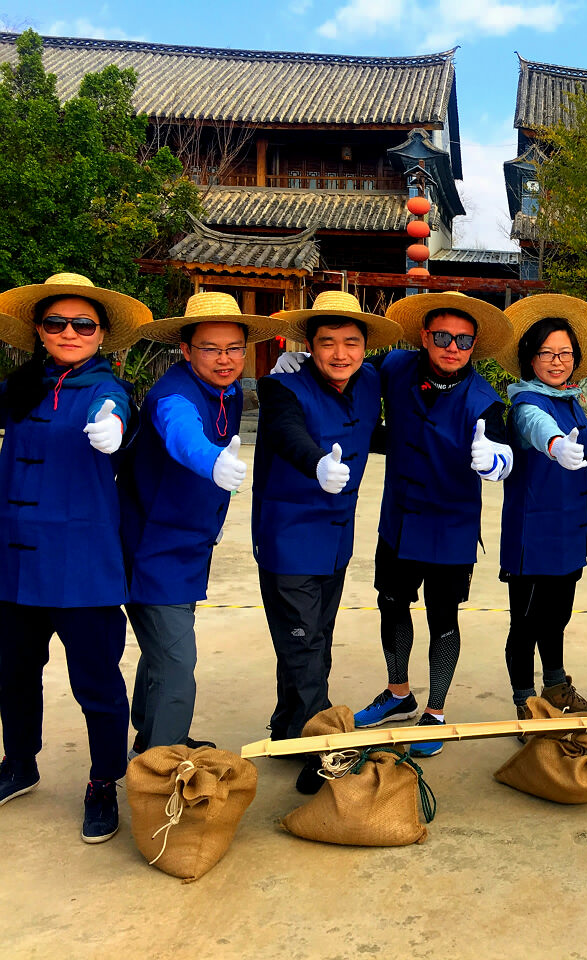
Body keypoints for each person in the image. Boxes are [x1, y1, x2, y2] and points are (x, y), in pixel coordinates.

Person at [0, 272, 149, 843]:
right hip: (15, 560)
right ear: (39, 331)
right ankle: (20, 762)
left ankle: (103, 780)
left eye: (83, 324)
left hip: (82, 564)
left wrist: (113, 425)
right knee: (13, 672)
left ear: (101, 334)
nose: (69, 332)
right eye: (56, 322)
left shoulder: (108, 390)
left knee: (96, 680)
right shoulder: (19, 388)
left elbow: (117, 410)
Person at [352, 291, 514, 758]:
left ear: (474, 345)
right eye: (442, 336)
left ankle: (436, 712)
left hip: (450, 524)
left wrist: (496, 461)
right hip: (399, 516)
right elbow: (350, 370)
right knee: (391, 603)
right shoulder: (396, 366)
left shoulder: (483, 400)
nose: (452, 347)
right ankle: (398, 693)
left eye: (463, 340)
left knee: (443, 619)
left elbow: (502, 450)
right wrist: (303, 368)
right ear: (424, 336)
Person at [118, 293, 280, 755]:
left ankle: (150, 738)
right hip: (153, 549)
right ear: (186, 350)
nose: (224, 359)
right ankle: (164, 763)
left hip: (190, 545)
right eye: (210, 348)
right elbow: (181, 432)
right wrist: (211, 461)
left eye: (234, 348)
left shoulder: (228, 391)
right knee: (176, 664)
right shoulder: (174, 394)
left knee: (162, 651)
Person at [254, 291, 402, 792]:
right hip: (289, 536)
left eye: (351, 343)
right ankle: (322, 748)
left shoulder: (370, 379)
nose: (340, 354)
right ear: (309, 345)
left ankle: (287, 730)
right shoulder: (281, 386)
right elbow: (285, 432)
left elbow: (410, 374)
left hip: (337, 537)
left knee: (314, 636)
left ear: (365, 347)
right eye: (327, 343)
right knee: (304, 644)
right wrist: (316, 461)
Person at [494, 294, 587, 723]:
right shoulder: (527, 402)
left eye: (564, 353)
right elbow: (535, 425)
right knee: (526, 623)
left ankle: (557, 685)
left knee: (557, 616)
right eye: (546, 353)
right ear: (530, 359)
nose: (556, 362)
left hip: (570, 531)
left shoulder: (568, 398)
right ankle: (526, 702)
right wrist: (556, 443)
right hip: (534, 536)